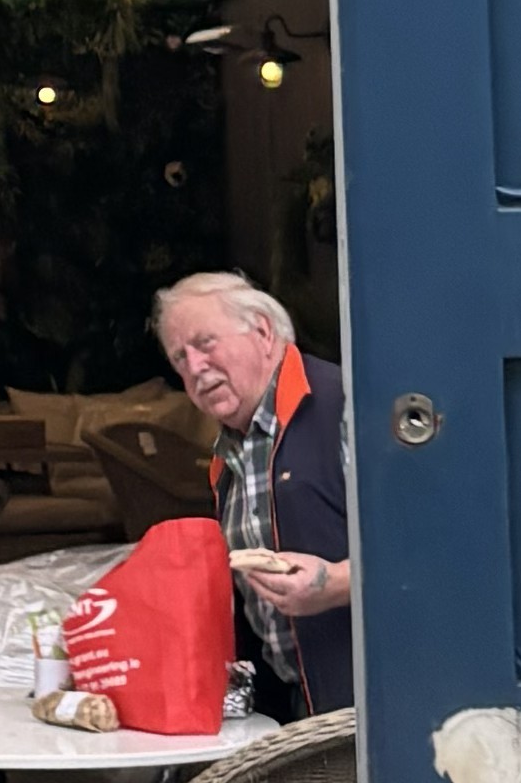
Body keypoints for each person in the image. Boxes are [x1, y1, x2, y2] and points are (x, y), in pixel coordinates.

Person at [129, 265, 353, 722]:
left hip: (374, 715)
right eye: (179, 358)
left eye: (206, 343)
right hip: (292, 716)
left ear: (263, 332)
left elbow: (441, 543)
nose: (195, 368)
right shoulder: (228, 454)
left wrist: (336, 583)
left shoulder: (348, 406)